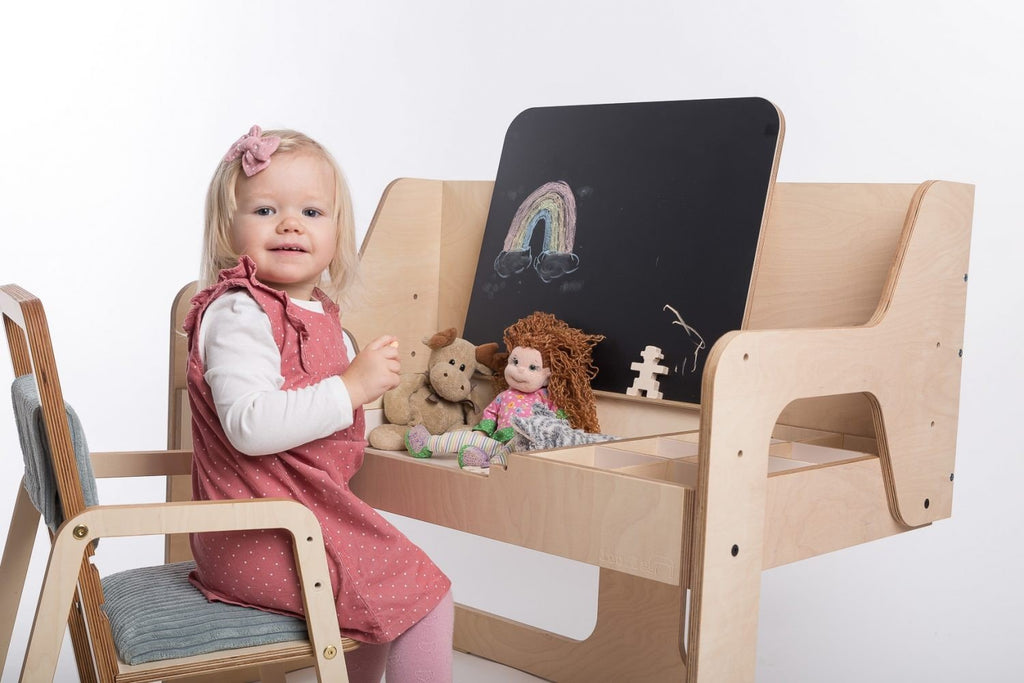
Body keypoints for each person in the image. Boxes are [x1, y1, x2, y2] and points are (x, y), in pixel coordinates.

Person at [185, 125, 452, 682]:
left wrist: (397, 413)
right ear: (227, 228)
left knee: (381, 613)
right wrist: (351, 388)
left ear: (337, 233)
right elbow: (251, 425)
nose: (289, 224)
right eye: (265, 210)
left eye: (311, 212)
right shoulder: (240, 313)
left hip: (295, 522)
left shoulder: (323, 317)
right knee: (424, 599)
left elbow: (332, 426)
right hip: (261, 536)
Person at [405, 311, 604, 468]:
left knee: (512, 451)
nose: (519, 370)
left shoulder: (546, 398)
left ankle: (485, 462)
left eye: (532, 367)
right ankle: (427, 443)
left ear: (548, 374)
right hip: (496, 439)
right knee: (468, 438)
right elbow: (490, 413)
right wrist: (483, 431)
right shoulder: (505, 395)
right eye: (515, 362)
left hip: (522, 445)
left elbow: (557, 422)